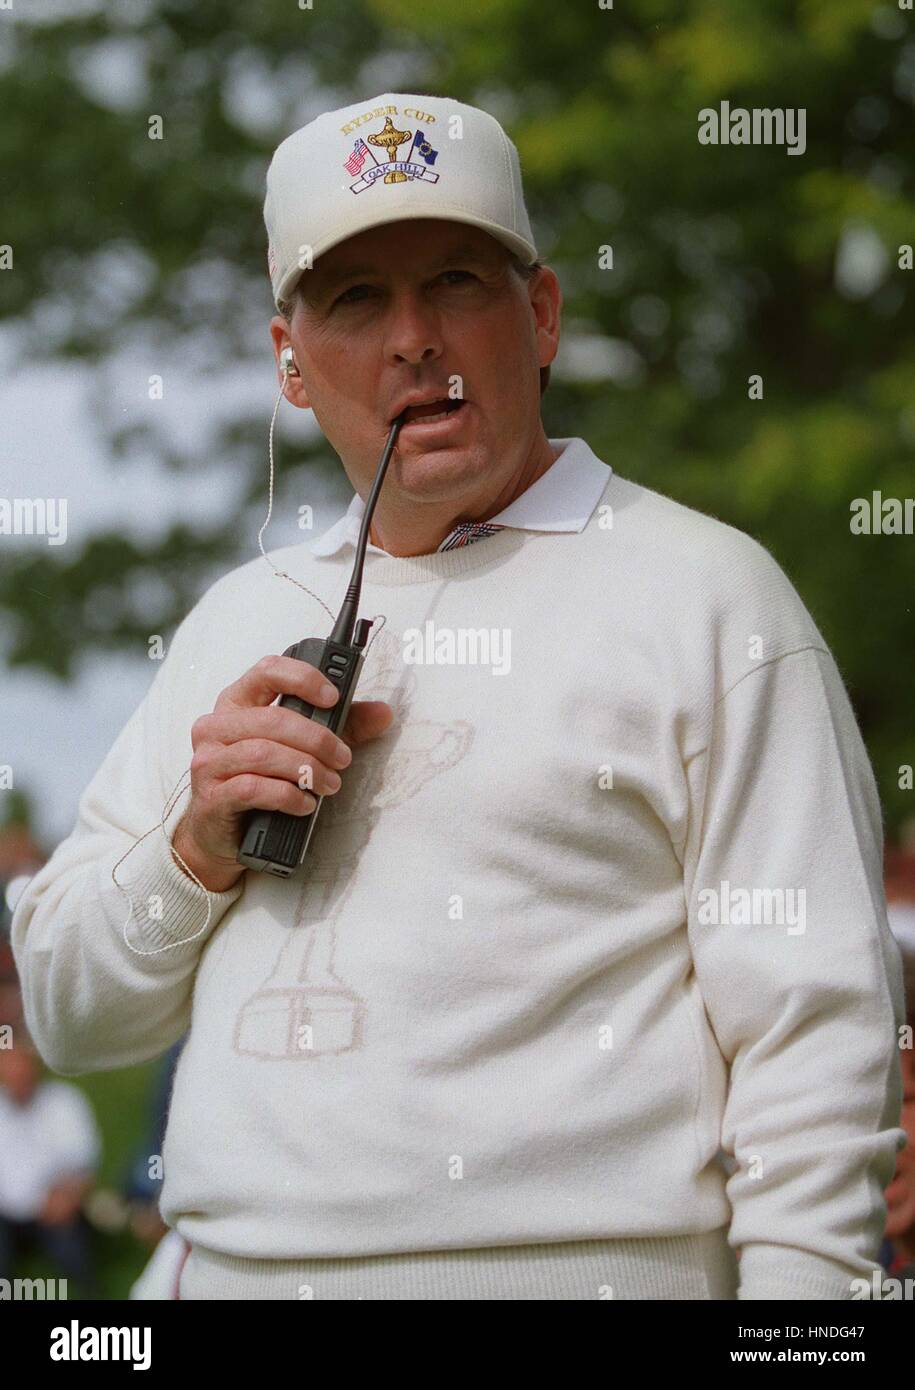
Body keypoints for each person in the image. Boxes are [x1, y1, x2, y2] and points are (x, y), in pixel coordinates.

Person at [11, 91, 908, 1301]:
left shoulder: (712, 598)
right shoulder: (232, 619)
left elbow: (819, 1041)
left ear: (540, 316)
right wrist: (193, 847)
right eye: (356, 299)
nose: (414, 338)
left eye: (458, 283)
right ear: (287, 360)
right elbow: (68, 1015)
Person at [0, 1040, 101, 1297]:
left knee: (74, 1256)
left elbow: (83, 1166)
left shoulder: (64, 1102)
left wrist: (67, 1195)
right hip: (7, 1215)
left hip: (54, 1209)